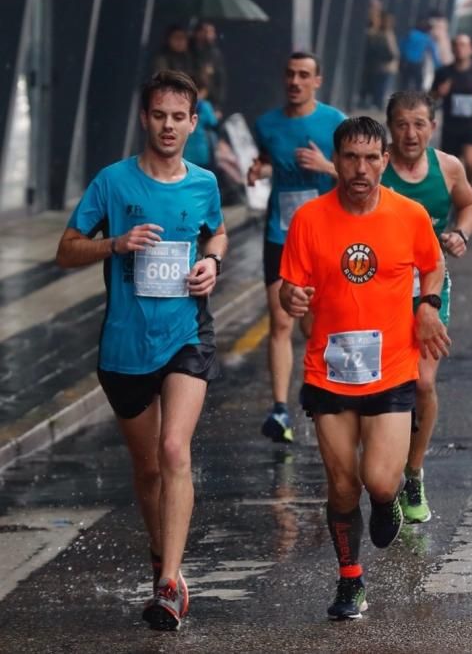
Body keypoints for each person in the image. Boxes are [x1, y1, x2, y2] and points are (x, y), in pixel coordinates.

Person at [55, 70, 228, 630]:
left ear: (193, 123)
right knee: (148, 465)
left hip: (186, 334)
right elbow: (66, 250)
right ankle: (162, 557)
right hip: (126, 346)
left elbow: (217, 232)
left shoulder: (203, 182)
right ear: (144, 118)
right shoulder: (112, 182)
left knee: (175, 450)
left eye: (179, 117)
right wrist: (115, 243)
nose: (169, 125)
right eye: (160, 115)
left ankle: (169, 586)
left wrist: (212, 263)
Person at [278, 116, 450, 619]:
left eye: (372, 158)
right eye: (350, 157)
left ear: (386, 160)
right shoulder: (309, 219)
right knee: (341, 485)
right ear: (337, 161)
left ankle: (388, 500)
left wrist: (427, 304)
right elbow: (292, 287)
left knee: (377, 480)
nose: (361, 168)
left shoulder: (409, 214)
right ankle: (350, 581)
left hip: (392, 367)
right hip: (328, 372)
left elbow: (432, 262)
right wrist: (292, 297)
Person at [381, 91, 472, 522]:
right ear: (390, 128)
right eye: (402, 124)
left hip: (430, 285)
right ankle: (383, 473)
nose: (410, 133)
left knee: (421, 383)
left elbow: (470, 204)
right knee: (385, 387)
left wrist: (461, 233)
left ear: (432, 127)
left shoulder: (448, 167)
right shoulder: (376, 167)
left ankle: (414, 472)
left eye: (419, 124)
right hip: (381, 289)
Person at [248, 52, 347, 444]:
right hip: (281, 234)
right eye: (290, 74)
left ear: (317, 81)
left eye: (304, 75)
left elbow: (360, 174)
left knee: (315, 324)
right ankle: (279, 410)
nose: (295, 81)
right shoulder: (266, 124)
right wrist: (259, 170)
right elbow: (269, 161)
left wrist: (326, 166)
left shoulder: (334, 122)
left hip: (323, 234)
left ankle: (323, 389)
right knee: (281, 320)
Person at [432, 35, 472, 186]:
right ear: (452, 49)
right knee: (449, 168)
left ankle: (469, 190)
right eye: (457, 45)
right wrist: (439, 93)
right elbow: (430, 97)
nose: (460, 48)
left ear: (470, 49)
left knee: (471, 163)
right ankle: (454, 198)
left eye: (463, 45)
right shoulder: (443, 72)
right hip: (451, 126)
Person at [363, 12, 400, 109]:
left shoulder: (385, 34)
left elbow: (392, 51)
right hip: (384, 65)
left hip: (385, 65)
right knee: (380, 86)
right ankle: (378, 103)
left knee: (381, 86)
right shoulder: (385, 34)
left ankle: (378, 103)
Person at [183, 76, 218, 170]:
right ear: (202, 91)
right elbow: (213, 122)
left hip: (186, 151)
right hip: (201, 151)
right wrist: (216, 116)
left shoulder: (184, 104)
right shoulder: (205, 106)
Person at [190, 21, 227, 110]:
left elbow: (220, 81)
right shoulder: (188, 51)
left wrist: (218, 107)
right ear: (197, 33)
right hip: (189, 99)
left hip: (209, 103)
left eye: (211, 32)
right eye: (205, 31)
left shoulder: (215, 54)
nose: (209, 35)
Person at [399, 19, 441, 92]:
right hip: (417, 63)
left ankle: (402, 98)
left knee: (404, 83)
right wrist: (438, 66)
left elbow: (401, 45)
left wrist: (402, 57)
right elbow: (433, 53)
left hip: (406, 62)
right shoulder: (427, 38)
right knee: (418, 83)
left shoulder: (411, 34)